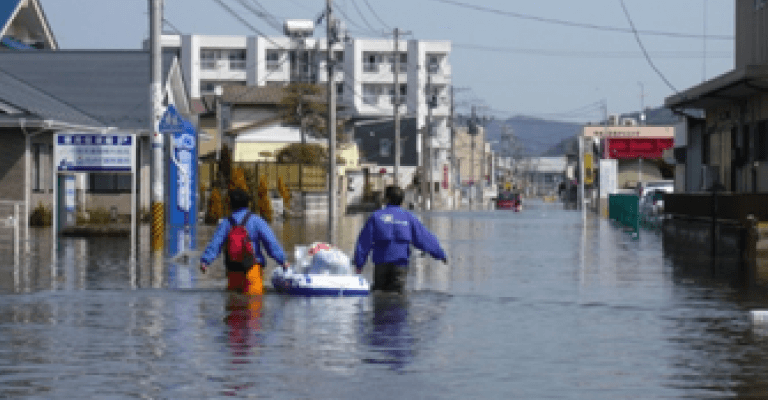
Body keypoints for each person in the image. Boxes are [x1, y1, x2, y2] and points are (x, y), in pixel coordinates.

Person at [354, 185, 447, 293]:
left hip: (381, 265)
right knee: (398, 297)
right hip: (400, 266)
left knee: (379, 296)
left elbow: (364, 242)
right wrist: (440, 254)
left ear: (387, 198)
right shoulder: (408, 217)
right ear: (402, 200)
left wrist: (359, 264)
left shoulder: (376, 217)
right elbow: (424, 238)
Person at [200, 188, 288, 293]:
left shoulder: (225, 223)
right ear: (248, 203)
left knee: (233, 303)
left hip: (233, 271)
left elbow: (215, 244)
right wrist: (282, 261)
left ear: (231, 204)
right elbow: (271, 243)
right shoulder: (257, 221)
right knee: (254, 303)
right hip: (252, 269)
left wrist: (205, 261)